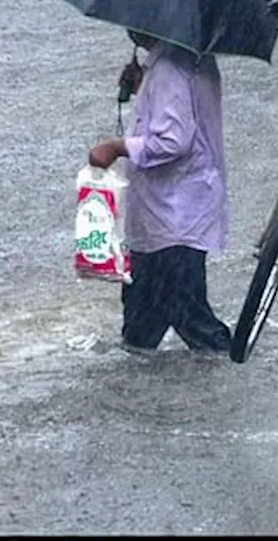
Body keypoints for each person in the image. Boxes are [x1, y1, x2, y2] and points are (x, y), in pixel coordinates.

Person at [87, 30, 233, 355]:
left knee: (188, 315)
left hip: (174, 215)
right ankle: (141, 392)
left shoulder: (169, 68)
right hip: (168, 214)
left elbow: (174, 140)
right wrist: (144, 87)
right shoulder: (186, 58)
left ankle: (233, 370)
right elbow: (183, 113)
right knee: (141, 321)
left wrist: (117, 147)